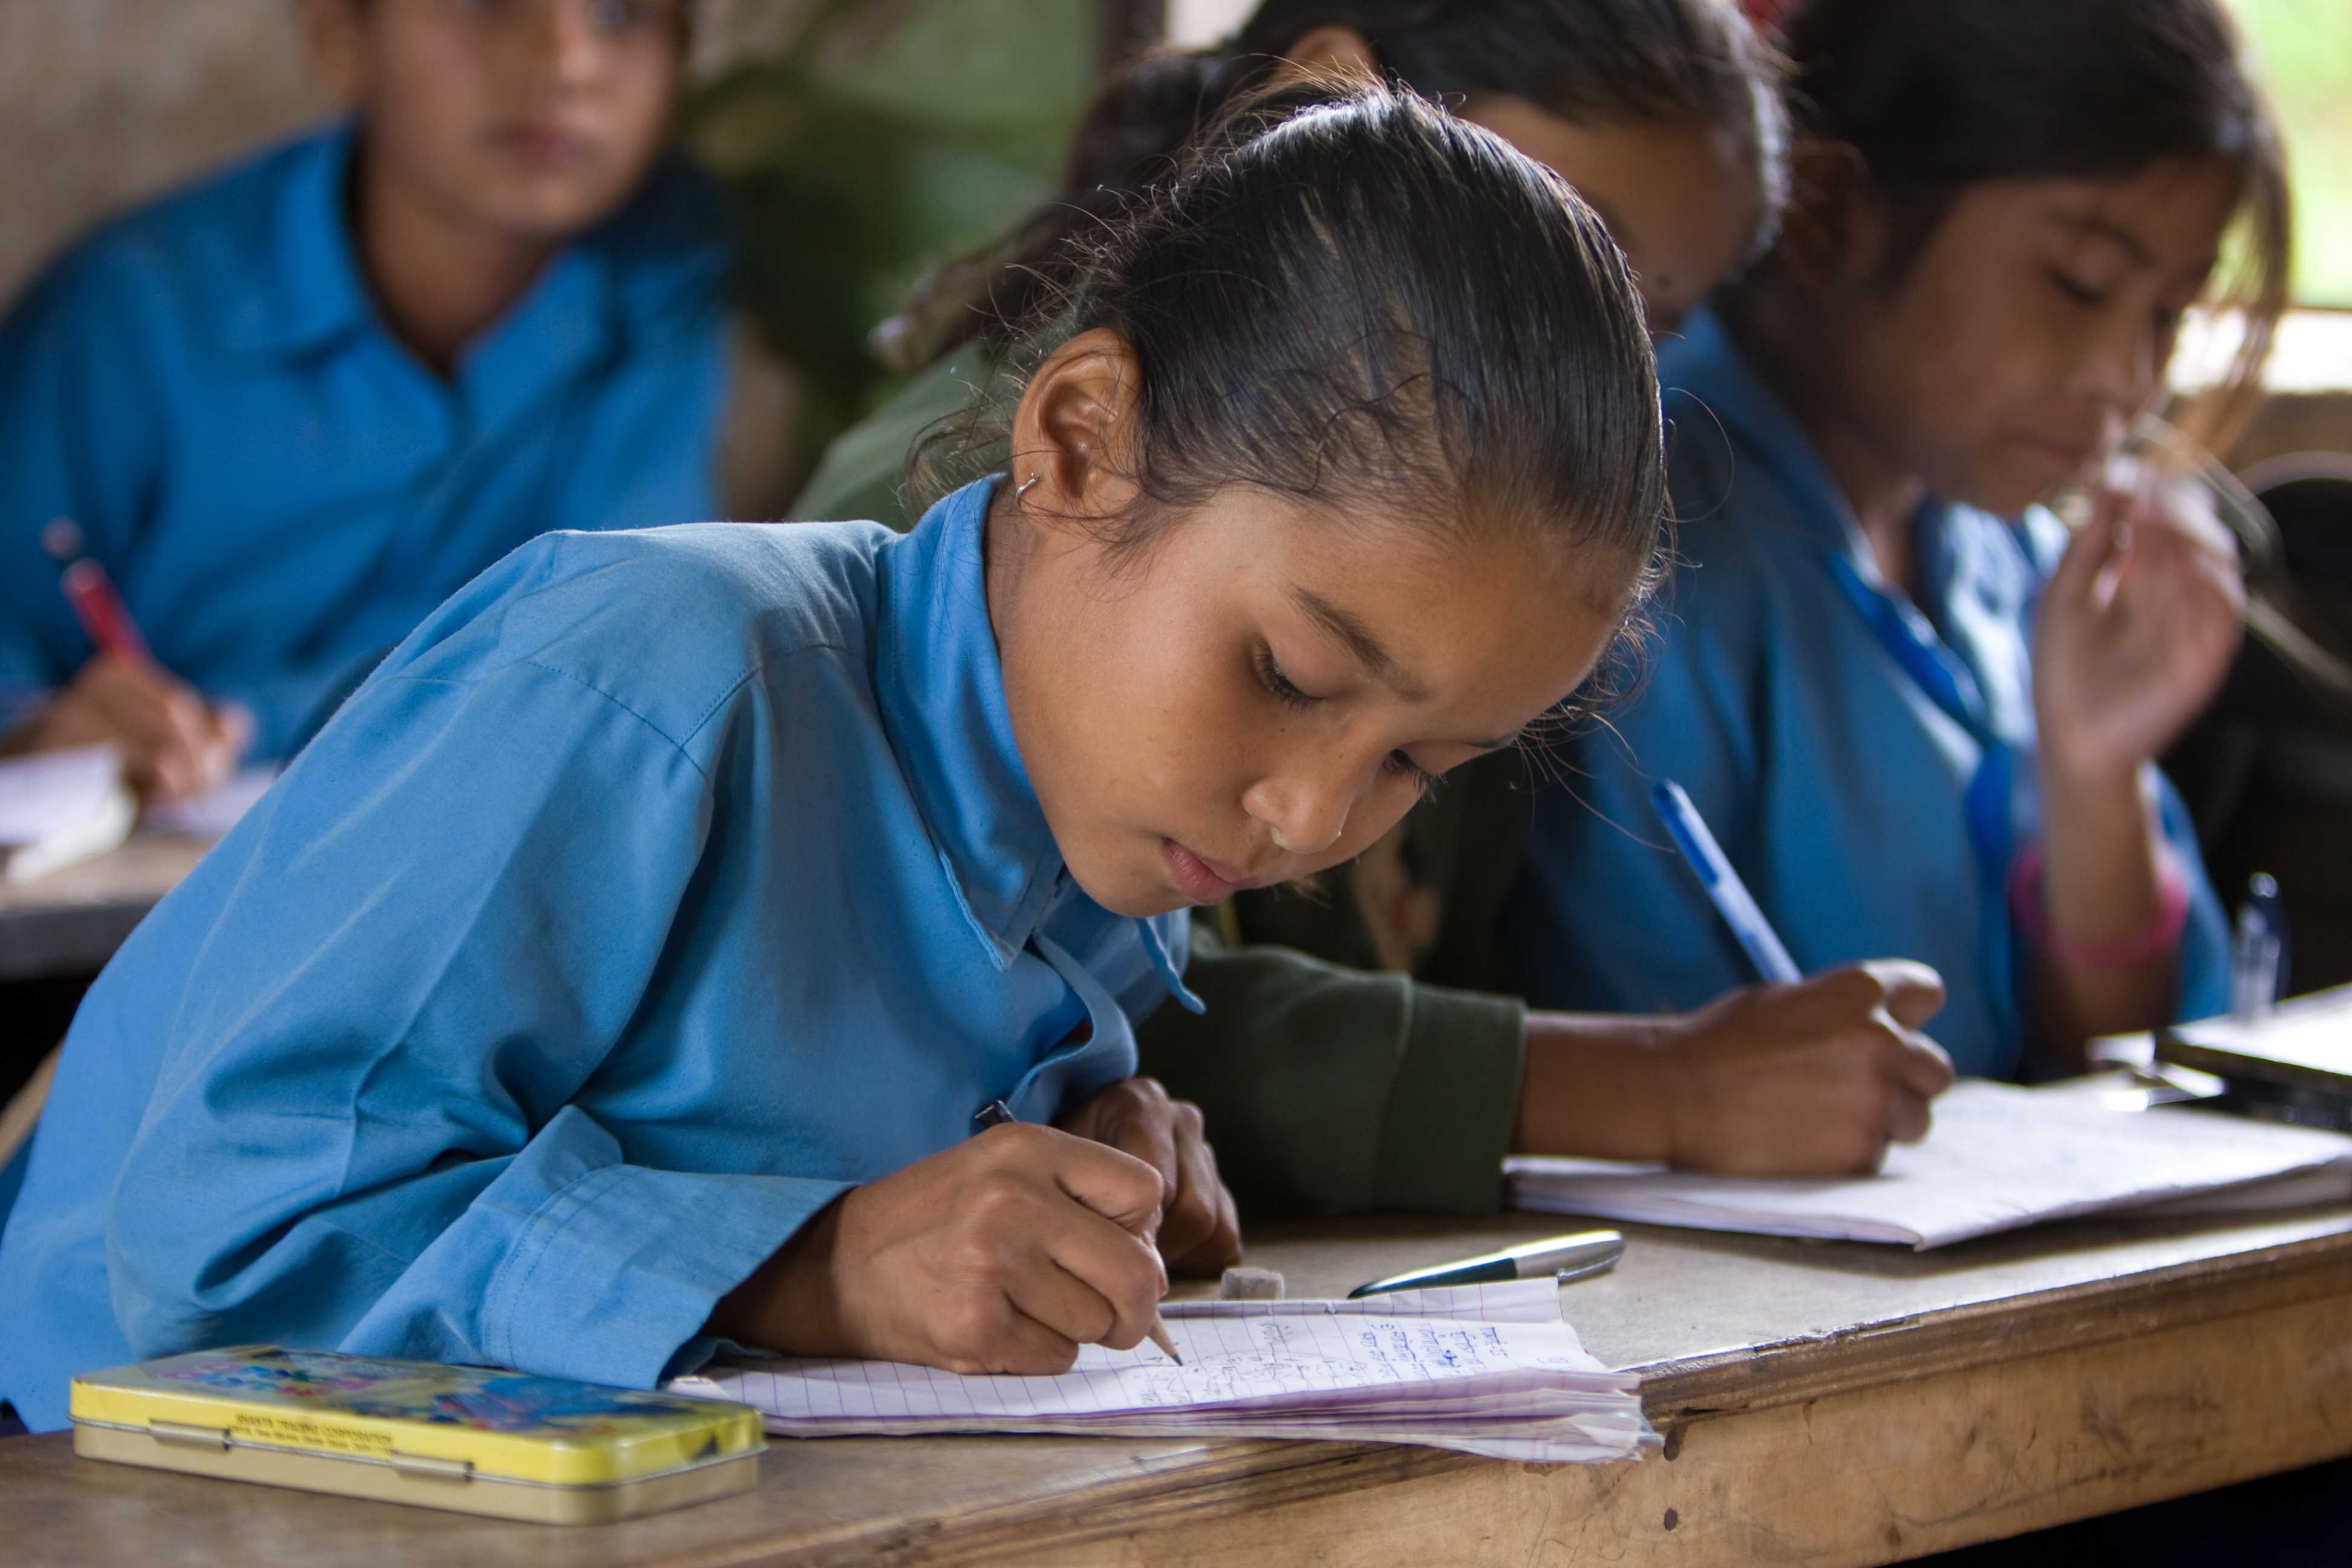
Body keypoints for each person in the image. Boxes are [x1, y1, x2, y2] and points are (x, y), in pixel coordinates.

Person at [0, 82, 1667, 1434]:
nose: (1312, 815)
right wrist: (810, 1265)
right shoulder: (654, 676)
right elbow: (232, 1227)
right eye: (1288, 674)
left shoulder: (1097, 843)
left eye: (1419, 765)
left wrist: (1089, 1164)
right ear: (1081, 440)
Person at [792, 0, 1957, 1201]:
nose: (1310, 818)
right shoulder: (969, 537)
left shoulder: (1446, 615)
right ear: (1323, 103)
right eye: (1545, 241)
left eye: (1641, 326)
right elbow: (966, 1007)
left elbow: (1121, 1024)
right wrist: (1663, 1089)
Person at [1509, 0, 2285, 1079]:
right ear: (1829, 210)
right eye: (2079, 284)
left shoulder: (2016, 558)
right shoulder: (1631, 544)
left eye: (2170, 314)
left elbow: (2133, 1062)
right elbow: (1652, 1060)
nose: (2128, 381)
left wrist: (2096, 775)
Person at [0, 0, 731, 802]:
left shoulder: (668, 277)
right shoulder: (138, 312)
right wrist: (38, 732)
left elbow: (608, 634)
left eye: (621, 13)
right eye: (488, 4)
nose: (569, 64)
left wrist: (241, 721)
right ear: (340, 37)